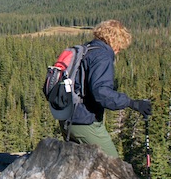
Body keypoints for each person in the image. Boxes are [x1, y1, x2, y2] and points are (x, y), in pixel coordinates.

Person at [62, 19, 151, 158]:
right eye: (120, 48)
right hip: (84, 121)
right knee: (114, 166)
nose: (118, 52)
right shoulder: (102, 56)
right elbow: (101, 93)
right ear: (116, 41)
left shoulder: (86, 49)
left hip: (66, 117)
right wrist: (132, 103)